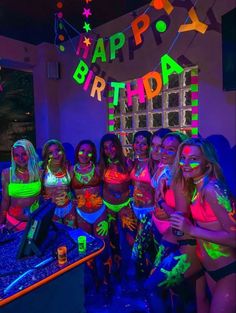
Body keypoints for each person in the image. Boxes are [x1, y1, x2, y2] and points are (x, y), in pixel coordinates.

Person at [170, 137, 236, 313]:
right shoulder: (195, 188)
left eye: (193, 159)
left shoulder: (213, 189)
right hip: (210, 269)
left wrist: (191, 230)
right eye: (183, 158)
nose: (185, 164)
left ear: (207, 163)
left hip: (229, 271)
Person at [71, 140, 110, 288]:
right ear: (77, 152)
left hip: (99, 212)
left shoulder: (98, 169)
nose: (85, 154)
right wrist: (71, 199)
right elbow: (63, 187)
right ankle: (94, 281)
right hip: (81, 215)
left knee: (103, 246)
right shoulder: (70, 170)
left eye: (89, 152)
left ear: (93, 154)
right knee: (86, 248)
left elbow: (109, 186)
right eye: (82, 151)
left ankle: (107, 281)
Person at [99, 133, 136, 280]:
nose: (110, 150)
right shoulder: (102, 165)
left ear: (118, 146)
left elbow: (136, 184)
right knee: (112, 239)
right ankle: (115, 269)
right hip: (108, 207)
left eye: (112, 146)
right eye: (106, 148)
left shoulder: (128, 163)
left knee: (129, 238)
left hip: (125, 206)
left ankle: (133, 269)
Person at [130, 130, 156, 277]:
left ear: (149, 146)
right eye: (137, 142)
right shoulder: (134, 161)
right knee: (144, 246)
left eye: (144, 144)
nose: (139, 146)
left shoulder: (153, 163)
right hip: (135, 209)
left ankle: (144, 281)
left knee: (139, 248)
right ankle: (146, 277)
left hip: (149, 211)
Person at [0, 139, 41, 231]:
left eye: (24, 154)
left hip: (34, 223)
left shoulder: (39, 172)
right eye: (16, 155)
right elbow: (5, 201)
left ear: (30, 154)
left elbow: (42, 197)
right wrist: (1, 222)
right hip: (13, 222)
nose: (20, 158)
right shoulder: (7, 173)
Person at [42, 139, 77, 228]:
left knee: (70, 235)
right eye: (51, 152)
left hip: (69, 208)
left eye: (58, 150)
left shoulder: (69, 167)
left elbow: (72, 188)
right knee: (56, 238)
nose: (55, 154)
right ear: (47, 155)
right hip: (52, 210)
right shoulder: (42, 170)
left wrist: (74, 199)